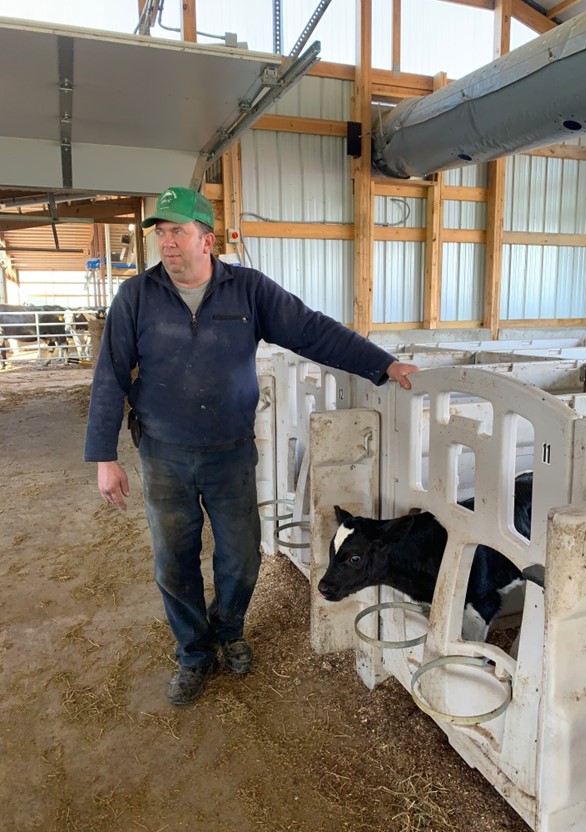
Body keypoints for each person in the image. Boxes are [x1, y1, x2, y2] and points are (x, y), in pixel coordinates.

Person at [85, 186, 419, 707]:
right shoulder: (137, 296)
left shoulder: (248, 291)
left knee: (241, 557)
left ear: (207, 239)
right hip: (164, 453)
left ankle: (229, 630)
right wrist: (104, 457)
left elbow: (312, 331)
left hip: (231, 451)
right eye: (161, 233)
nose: (167, 244)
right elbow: (110, 376)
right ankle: (193, 654)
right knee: (174, 560)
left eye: (178, 232)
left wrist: (382, 364)